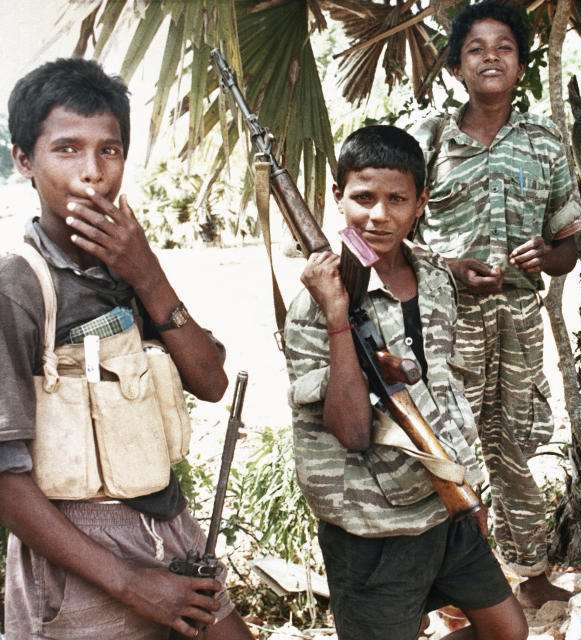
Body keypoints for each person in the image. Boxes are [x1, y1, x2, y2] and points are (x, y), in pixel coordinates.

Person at [0, 59, 252, 638]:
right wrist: (128, 582)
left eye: (109, 151)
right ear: (23, 160)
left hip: (169, 525)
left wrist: (148, 275)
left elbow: (211, 383)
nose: (93, 174)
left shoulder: (129, 265)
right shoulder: (19, 286)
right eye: (66, 149)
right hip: (79, 560)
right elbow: (6, 480)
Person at [284, 124, 527, 640]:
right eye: (363, 197)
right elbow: (351, 430)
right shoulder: (315, 301)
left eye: (397, 199)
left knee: (508, 630)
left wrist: (468, 488)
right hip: (375, 528)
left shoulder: (436, 276)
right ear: (338, 197)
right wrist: (336, 315)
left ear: (422, 202)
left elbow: (444, 387)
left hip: (445, 507)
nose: (378, 215)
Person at [411, 1, 581, 607]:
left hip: (517, 321)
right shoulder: (427, 138)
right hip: (441, 321)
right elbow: (386, 234)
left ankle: (531, 577)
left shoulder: (543, 141)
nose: (491, 56)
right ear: (457, 67)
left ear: (521, 62)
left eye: (504, 46)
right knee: (441, 446)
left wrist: (547, 258)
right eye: (476, 48)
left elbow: (568, 244)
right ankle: (452, 592)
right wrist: (447, 267)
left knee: (512, 445)